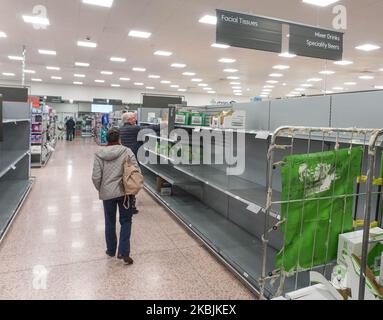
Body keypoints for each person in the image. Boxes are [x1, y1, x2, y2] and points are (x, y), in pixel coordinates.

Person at [92, 128, 140, 265]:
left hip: (107, 193)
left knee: (109, 221)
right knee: (126, 221)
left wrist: (101, 189)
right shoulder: (127, 151)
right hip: (125, 192)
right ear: (119, 139)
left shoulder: (99, 154)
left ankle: (111, 250)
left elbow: (96, 176)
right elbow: (136, 170)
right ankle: (124, 251)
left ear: (107, 139)